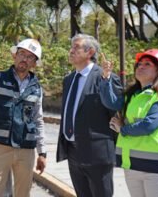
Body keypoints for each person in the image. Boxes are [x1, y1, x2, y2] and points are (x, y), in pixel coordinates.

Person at [0, 38, 46, 197]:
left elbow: (38, 120)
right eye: (21, 54)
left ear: (34, 63)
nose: (24, 59)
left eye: (30, 57)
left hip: (26, 149)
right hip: (0, 147)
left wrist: (42, 152)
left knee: (23, 193)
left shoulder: (37, 89)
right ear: (15, 56)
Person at [108, 49, 158, 197]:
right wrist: (105, 78)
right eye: (139, 64)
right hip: (132, 166)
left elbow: (148, 125)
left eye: (147, 64)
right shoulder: (133, 97)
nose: (140, 67)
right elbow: (111, 103)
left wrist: (122, 129)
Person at [56, 33, 123, 197]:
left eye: (76, 47)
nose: (71, 51)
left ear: (90, 52)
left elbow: (115, 111)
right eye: (71, 47)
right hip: (73, 153)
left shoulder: (105, 77)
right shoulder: (69, 80)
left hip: (97, 154)